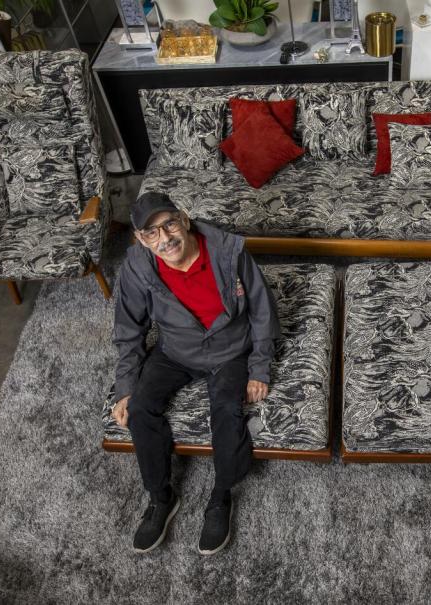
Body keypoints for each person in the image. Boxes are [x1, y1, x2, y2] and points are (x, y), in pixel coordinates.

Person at [111, 191, 280, 555]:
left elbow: (263, 311)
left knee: (226, 408)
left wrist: (260, 367)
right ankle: (161, 497)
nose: (165, 238)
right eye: (151, 233)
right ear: (141, 239)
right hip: (175, 350)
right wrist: (125, 387)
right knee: (140, 408)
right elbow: (129, 329)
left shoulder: (228, 253)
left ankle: (220, 496)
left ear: (184, 219)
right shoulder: (137, 268)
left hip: (230, 350)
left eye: (169, 224)